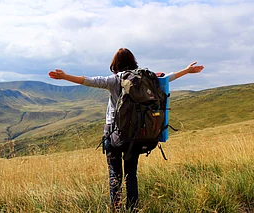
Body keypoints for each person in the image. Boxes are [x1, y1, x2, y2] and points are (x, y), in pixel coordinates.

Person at [48, 48, 204, 211]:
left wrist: (65, 76)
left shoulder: (114, 80)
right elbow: (168, 78)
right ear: (133, 61)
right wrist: (187, 70)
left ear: (115, 64)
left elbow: (89, 81)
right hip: (137, 134)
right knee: (131, 175)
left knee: (115, 175)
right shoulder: (148, 79)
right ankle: (133, 209)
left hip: (114, 135)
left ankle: (117, 208)